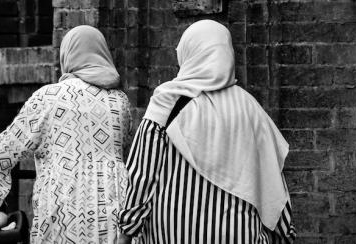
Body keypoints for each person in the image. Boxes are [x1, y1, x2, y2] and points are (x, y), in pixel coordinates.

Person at [118, 20, 295, 243]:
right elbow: (271, 181)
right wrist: (285, 231)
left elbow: (142, 177)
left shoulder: (166, 102)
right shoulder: (251, 110)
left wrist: (126, 231)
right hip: (239, 233)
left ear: (188, 53)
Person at [0, 25, 133, 243]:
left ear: (67, 54)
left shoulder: (48, 97)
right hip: (115, 200)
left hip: (66, 201)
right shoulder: (120, 101)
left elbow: (7, 150)